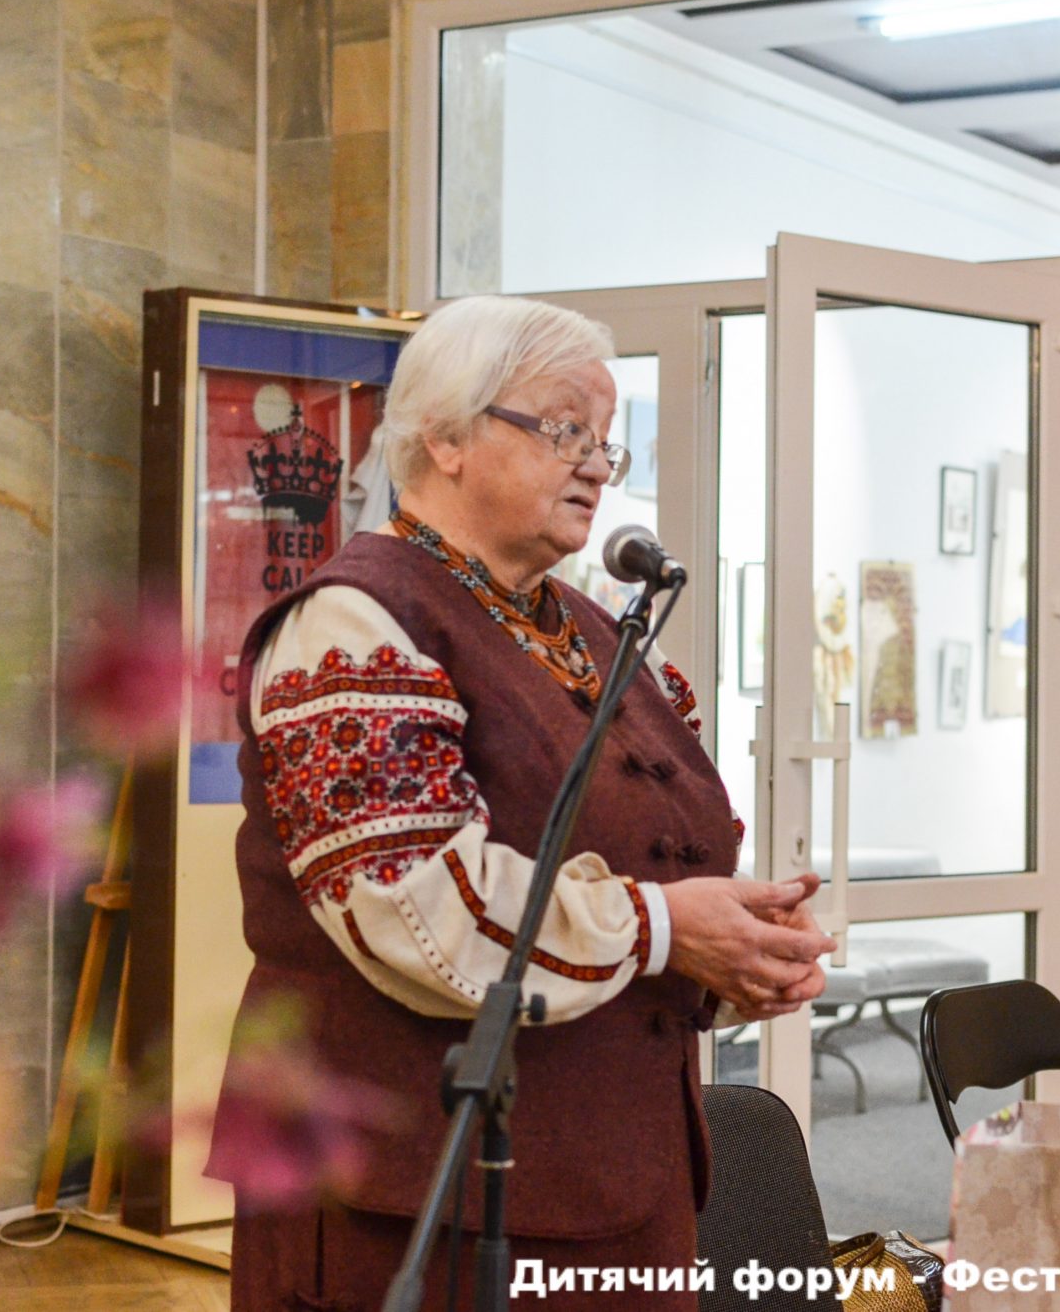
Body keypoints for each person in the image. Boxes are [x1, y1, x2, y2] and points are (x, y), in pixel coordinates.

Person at [210, 295, 834, 1310]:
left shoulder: (595, 629)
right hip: (410, 1196)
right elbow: (412, 902)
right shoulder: (352, 622)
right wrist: (668, 928)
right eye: (561, 430)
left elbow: (665, 869)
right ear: (445, 435)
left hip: (615, 1181)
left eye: (604, 440)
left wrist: (735, 948)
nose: (594, 462)